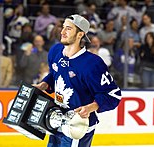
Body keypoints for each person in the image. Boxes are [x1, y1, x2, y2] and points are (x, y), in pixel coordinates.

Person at [34, 14, 121, 147]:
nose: (62, 32)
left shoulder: (92, 64)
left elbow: (113, 95)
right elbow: (56, 74)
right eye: (63, 27)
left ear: (80, 35)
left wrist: (91, 107)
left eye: (68, 28)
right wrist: (44, 84)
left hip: (78, 127)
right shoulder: (55, 51)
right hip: (56, 120)